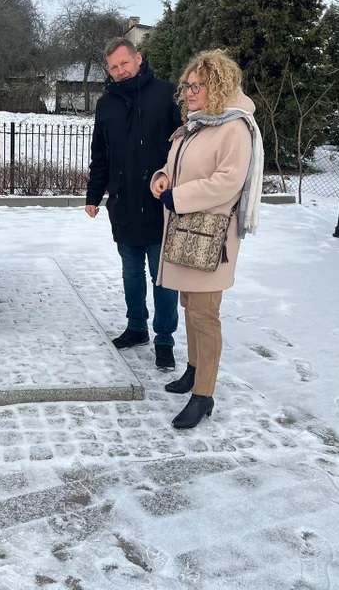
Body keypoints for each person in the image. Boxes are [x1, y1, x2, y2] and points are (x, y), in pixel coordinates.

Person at [150, 49, 264, 429]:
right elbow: (176, 164)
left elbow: (228, 181)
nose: (190, 92)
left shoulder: (235, 127)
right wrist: (162, 178)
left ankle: (204, 395)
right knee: (191, 309)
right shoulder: (198, 124)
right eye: (188, 86)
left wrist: (178, 197)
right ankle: (193, 371)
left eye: (198, 86)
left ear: (217, 86)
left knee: (205, 315)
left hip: (210, 238)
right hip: (186, 232)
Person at [85, 38, 183, 370]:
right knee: (131, 272)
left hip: (159, 205)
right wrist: (94, 196)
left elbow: (182, 148)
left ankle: (165, 339)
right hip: (123, 203)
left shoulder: (165, 94)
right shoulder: (106, 104)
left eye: (124, 63)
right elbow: (101, 154)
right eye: (113, 67)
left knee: (163, 276)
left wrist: (175, 184)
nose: (119, 71)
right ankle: (137, 327)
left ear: (138, 58)